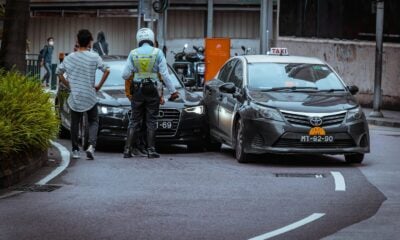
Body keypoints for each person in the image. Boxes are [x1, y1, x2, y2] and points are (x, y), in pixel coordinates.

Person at [122, 28, 179, 159]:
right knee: (151, 120)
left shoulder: (133, 53)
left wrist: (136, 72)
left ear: (138, 40)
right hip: (152, 90)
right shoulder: (158, 53)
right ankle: (151, 150)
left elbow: (125, 75)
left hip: (137, 90)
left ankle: (127, 149)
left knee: (135, 120)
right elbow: (165, 75)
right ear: (152, 38)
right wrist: (173, 91)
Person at [56, 29, 110, 160]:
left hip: (75, 96)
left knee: (75, 123)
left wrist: (68, 84)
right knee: (93, 121)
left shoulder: (70, 58)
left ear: (77, 41)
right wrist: (99, 86)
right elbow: (107, 70)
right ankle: (91, 145)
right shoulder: (94, 56)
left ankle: (75, 150)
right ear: (90, 42)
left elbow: (58, 71)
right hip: (90, 95)